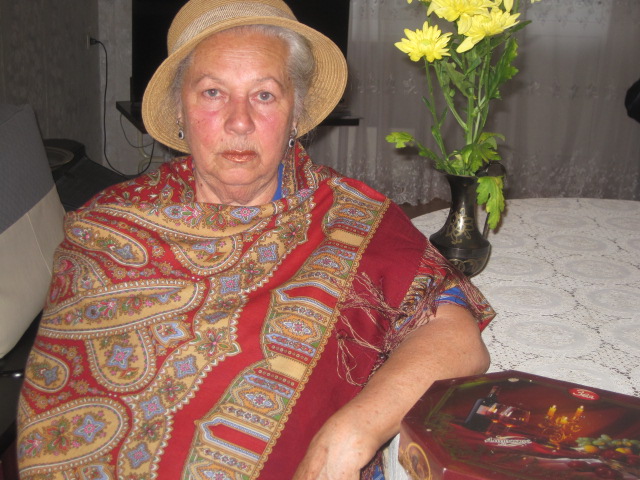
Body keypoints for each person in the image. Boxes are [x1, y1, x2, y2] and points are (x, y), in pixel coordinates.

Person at [16, 1, 494, 479]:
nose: (239, 121)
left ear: (296, 113)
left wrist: (351, 435)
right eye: (212, 92)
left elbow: (456, 336)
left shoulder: (351, 217)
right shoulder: (108, 227)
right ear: (180, 109)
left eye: (264, 95)